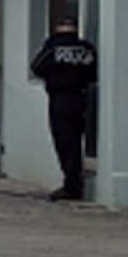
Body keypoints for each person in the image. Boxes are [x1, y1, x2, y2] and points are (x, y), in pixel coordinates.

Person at [28, 14, 98, 201]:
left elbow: (36, 67)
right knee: (78, 140)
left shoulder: (53, 47)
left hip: (61, 99)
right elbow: (94, 73)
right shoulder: (86, 48)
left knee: (65, 142)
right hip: (83, 97)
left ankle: (72, 185)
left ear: (58, 28)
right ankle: (75, 181)